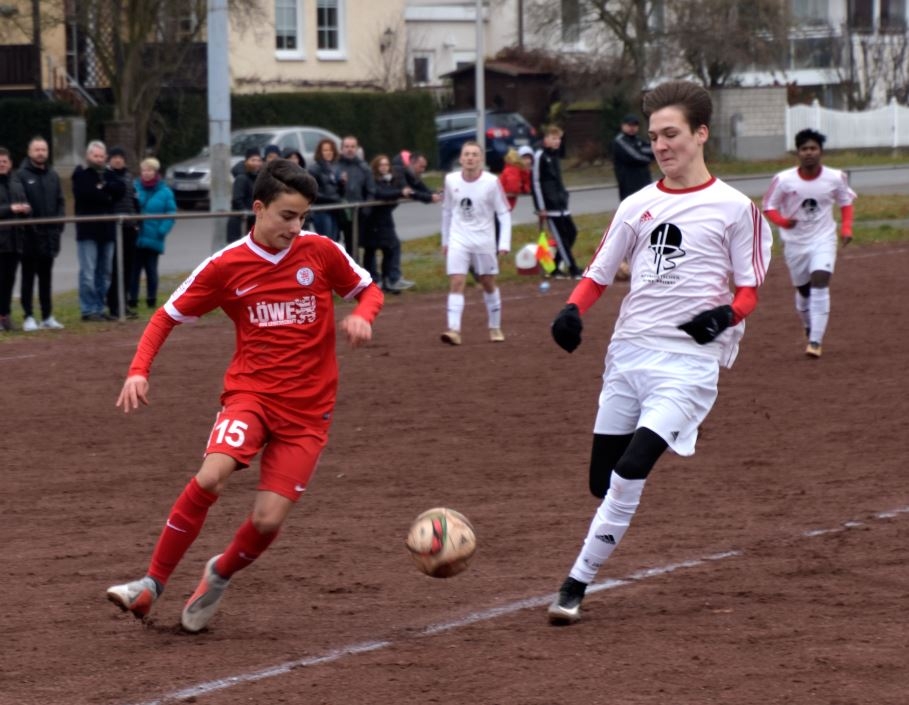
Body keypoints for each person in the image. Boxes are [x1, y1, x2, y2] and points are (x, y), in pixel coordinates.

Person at [106, 158, 384, 633]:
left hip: (308, 412)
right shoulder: (226, 265)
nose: (296, 227)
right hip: (250, 396)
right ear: (259, 208)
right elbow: (165, 316)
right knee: (211, 477)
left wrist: (363, 315)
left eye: (303, 217)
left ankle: (219, 573)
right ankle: (151, 584)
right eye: (287, 216)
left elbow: (370, 290)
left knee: (268, 520)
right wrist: (138, 371)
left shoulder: (321, 251)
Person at [545, 80, 772, 626]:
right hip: (628, 355)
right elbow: (598, 273)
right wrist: (572, 310)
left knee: (630, 469)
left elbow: (748, 291)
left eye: (671, 134)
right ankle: (636, 475)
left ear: (701, 133)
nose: (661, 146)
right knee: (601, 482)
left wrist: (726, 316)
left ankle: (574, 585)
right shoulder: (637, 205)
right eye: (653, 137)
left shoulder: (735, 208)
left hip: (688, 364)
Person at [762, 128, 855, 358]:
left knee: (820, 281)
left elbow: (845, 202)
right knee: (804, 291)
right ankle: (808, 325)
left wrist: (846, 228)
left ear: (821, 151)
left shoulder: (835, 177)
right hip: (795, 243)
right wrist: (783, 222)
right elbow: (768, 207)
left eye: (813, 148)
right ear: (798, 153)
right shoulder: (784, 180)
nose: (809, 152)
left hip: (823, 239)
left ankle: (815, 341)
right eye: (804, 149)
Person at [440, 140, 511, 345]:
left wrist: (504, 243)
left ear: (480, 159)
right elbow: (447, 211)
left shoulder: (491, 182)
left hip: (484, 240)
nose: (470, 158)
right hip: (459, 238)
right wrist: (445, 240)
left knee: (487, 282)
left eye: (474, 154)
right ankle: (454, 330)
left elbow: (503, 213)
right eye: (466, 154)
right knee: (456, 281)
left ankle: (495, 326)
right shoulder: (451, 180)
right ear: (461, 159)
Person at [72, 140, 126, 322]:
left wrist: (104, 188)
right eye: (95, 156)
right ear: (88, 156)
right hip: (88, 231)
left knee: (105, 273)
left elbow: (120, 190)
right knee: (88, 273)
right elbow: (86, 194)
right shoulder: (81, 173)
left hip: (107, 231)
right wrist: (105, 193)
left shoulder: (110, 174)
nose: (99, 159)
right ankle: (88, 310)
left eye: (102, 156)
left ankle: (99, 308)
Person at [17, 136, 66, 331]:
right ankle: (28, 316)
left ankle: (47, 316)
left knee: (46, 279)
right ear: (29, 152)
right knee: (28, 278)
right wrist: (31, 228)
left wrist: (58, 226)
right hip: (29, 239)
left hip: (50, 238)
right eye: (37, 149)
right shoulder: (21, 175)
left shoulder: (53, 175)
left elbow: (60, 202)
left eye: (43, 149)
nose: (40, 153)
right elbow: (22, 203)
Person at [532, 126, 582, 279]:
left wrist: (564, 196)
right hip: (550, 207)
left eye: (559, 139)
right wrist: (541, 207)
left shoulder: (555, 156)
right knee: (561, 238)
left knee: (572, 233)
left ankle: (554, 266)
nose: (557, 141)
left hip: (561, 204)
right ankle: (573, 269)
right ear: (546, 139)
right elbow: (536, 182)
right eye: (554, 138)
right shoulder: (540, 156)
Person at [130, 157, 177, 310]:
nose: (146, 173)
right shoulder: (134, 188)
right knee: (134, 270)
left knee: (151, 270)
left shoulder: (165, 192)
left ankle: (151, 299)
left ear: (155, 172)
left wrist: (161, 231)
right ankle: (132, 299)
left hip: (154, 236)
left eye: (149, 170)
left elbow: (171, 213)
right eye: (144, 170)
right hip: (136, 236)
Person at [363, 154, 414, 293]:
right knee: (371, 250)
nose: (384, 167)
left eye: (386, 165)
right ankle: (375, 280)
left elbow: (393, 193)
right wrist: (400, 192)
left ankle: (389, 279)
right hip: (371, 220)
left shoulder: (391, 180)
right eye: (381, 165)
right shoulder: (372, 180)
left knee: (391, 247)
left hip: (385, 219)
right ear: (376, 166)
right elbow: (381, 193)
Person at [105, 146, 140, 319]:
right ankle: (113, 305)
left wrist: (137, 222)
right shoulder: (107, 176)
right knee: (115, 268)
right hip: (114, 228)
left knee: (127, 268)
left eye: (120, 157)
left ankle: (123, 303)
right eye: (114, 157)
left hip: (130, 227)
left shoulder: (128, 176)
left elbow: (134, 200)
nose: (118, 160)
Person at [0, 147, 30, 332]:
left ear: (10, 163)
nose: (2, 164)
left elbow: (24, 203)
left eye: (4, 161)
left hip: (15, 241)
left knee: (9, 281)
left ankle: (5, 315)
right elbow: (7, 209)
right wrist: (10, 209)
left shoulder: (16, 183)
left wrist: (26, 209)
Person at [337, 135, 375, 257]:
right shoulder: (335, 166)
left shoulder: (364, 167)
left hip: (359, 212)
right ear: (342, 149)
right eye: (347, 146)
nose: (350, 149)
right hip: (339, 211)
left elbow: (371, 190)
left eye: (352, 147)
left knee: (356, 245)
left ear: (357, 148)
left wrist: (366, 209)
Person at [307, 138, 344, 242]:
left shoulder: (335, 168)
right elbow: (313, 192)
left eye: (331, 150)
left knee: (334, 241)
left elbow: (339, 192)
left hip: (334, 210)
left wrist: (342, 184)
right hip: (322, 211)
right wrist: (332, 198)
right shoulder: (314, 169)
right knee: (325, 241)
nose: (329, 153)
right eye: (325, 150)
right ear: (320, 152)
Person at [612, 114, 655, 201]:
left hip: (644, 179)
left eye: (635, 125)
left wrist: (645, 153)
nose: (632, 128)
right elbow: (634, 156)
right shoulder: (619, 141)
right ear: (623, 126)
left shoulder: (638, 140)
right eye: (629, 125)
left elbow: (653, 150)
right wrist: (648, 159)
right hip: (628, 181)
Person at [226, 148, 262, 243]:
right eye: (253, 160)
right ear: (246, 162)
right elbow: (237, 200)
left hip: (251, 221)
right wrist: (248, 214)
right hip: (240, 222)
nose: (256, 163)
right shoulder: (241, 178)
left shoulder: (258, 178)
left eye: (258, 160)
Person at [499, 147, 531, 212]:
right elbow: (513, 188)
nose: (528, 161)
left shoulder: (511, 169)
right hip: (505, 205)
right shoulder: (514, 170)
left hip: (504, 204)